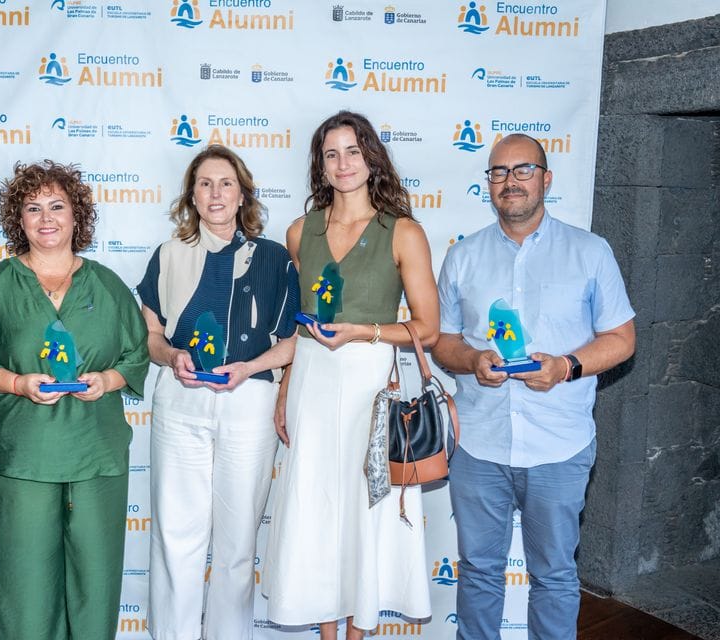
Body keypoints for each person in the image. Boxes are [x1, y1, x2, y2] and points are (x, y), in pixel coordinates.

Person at [432, 133, 636, 640]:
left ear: (546, 179)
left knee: (555, 576)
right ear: (489, 185)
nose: (510, 181)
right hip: (479, 445)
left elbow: (622, 338)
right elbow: (443, 343)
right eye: (498, 172)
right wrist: (472, 359)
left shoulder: (590, 252)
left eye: (523, 170)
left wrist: (566, 365)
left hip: (559, 446)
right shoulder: (463, 257)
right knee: (478, 572)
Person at [0, 161, 149, 640]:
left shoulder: (107, 285)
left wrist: (107, 379)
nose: (46, 218)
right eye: (32, 208)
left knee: (96, 581)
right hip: (20, 456)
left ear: (76, 215)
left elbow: (136, 353)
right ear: (18, 220)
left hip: (95, 456)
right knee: (24, 585)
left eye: (57, 206)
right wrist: (18, 384)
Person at [263, 111, 439, 638]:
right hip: (312, 380)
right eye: (331, 153)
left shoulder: (403, 231)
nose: (343, 163)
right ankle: (325, 632)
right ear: (320, 164)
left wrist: (364, 331)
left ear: (371, 158)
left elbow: (427, 329)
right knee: (315, 506)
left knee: (364, 507)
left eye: (353, 152)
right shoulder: (300, 232)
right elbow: (298, 328)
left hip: (368, 382)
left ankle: (358, 630)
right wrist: (285, 387)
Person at [138, 145, 299, 640]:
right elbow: (151, 337)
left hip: (248, 403)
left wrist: (249, 367)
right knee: (175, 538)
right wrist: (171, 356)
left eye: (225, 183)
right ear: (192, 193)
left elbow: (293, 341)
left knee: (236, 545)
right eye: (204, 183)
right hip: (180, 404)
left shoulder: (274, 258)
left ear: (242, 192)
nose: (215, 193)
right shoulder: (168, 255)